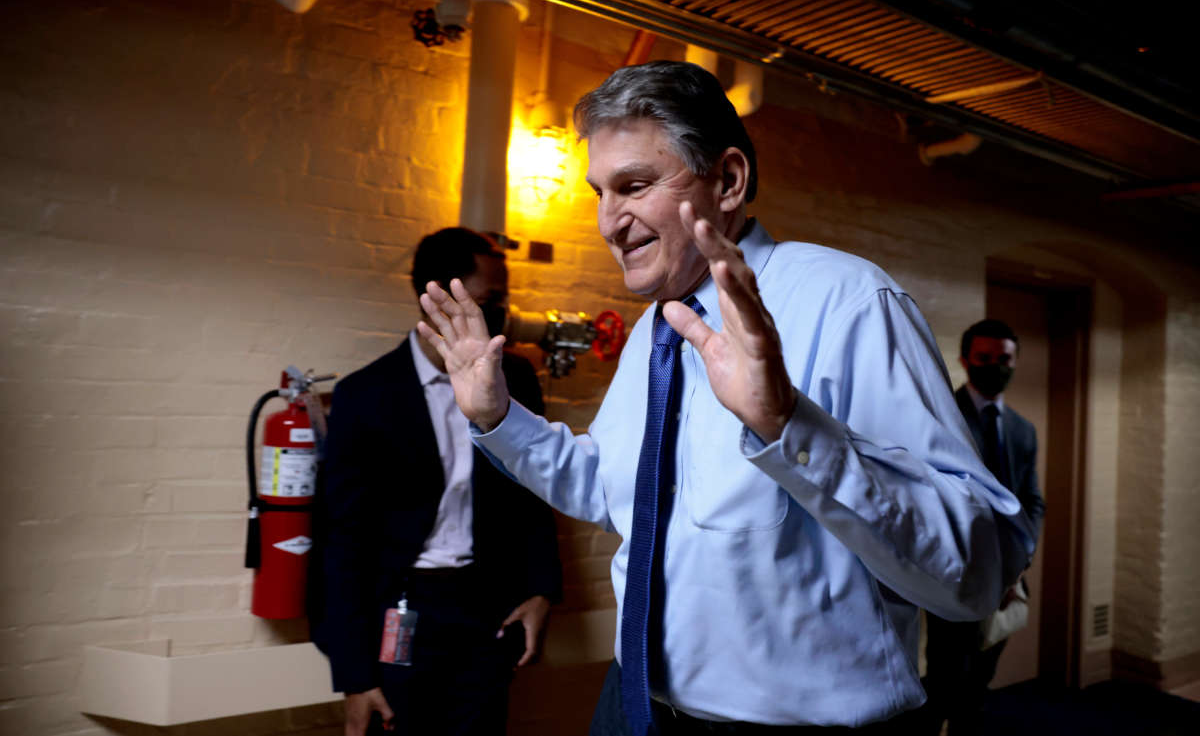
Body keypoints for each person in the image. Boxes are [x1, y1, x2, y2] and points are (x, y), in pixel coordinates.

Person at [417, 61, 1036, 733]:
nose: (607, 223)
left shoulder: (850, 301)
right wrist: (497, 418)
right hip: (633, 705)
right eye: (599, 192)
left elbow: (976, 572)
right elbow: (608, 487)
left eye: (634, 186)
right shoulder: (654, 329)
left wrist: (787, 424)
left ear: (729, 180)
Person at [313, 227, 562, 736]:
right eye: (492, 299)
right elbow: (341, 542)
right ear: (441, 298)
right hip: (403, 610)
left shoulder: (514, 378)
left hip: (489, 613)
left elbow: (534, 491)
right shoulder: (366, 395)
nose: (504, 313)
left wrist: (541, 591)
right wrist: (355, 677)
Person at [921, 319, 1046, 735]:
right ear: (965, 360)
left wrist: (1019, 563)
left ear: (1015, 362)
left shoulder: (1022, 430)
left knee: (978, 685)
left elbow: (1031, 501)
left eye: (1004, 359)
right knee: (943, 683)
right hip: (955, 576)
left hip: (1009, 578)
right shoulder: (940, 419)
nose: (996, 366)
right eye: (985, 359)